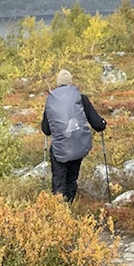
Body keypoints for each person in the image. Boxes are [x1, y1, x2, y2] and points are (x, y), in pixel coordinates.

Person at [40, 69, 107, 204]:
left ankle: (59, 210)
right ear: (70, 82)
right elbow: (97, 124)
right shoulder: (81, 98)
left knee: (59, 180)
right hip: (78, 146)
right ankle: (69, 205)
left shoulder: (51, 101)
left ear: (58, 83)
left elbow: (46, 130)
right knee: (71, 178)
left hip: (60, 149)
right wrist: (102, 123)